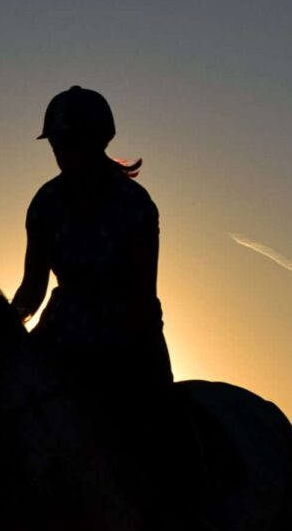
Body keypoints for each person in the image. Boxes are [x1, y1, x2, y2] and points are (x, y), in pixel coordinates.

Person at [12, 86, 174, 449]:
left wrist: (113, 349)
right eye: (57, 144)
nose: (62, 153)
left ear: (98, 140)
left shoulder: (135, 205)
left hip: (131, 338)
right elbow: (32, 288)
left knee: (166, 434)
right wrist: (5, 329)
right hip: (60, 333)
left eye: (70, 142)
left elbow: (141, 293)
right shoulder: (45, 203)